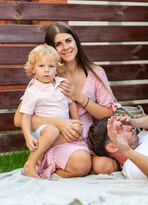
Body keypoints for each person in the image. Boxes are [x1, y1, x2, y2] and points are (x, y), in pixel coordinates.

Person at [14, 22, 115, 178]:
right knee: (82, 162)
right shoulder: (46, 78)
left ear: (75, 41)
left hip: (85, 135)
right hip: (57, 139)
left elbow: (109, 113)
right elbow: (18, 119)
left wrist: (80, 97)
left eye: (68, 40)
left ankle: (77, 168)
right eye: (58, 44)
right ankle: (49, 170)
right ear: (51, 50)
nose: (65, 47)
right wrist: (59, 123)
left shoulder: (95, 73)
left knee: (107, 166)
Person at [20, 45, 80, 179]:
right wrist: (28, 137)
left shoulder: (62, 83)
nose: (46, 70)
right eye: (41, 66)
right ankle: (30, 164)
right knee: (52, 131)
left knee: (77, 130)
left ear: (57, 68)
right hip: (43, 131)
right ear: (33, 69)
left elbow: (72, 105)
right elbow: (25, 116)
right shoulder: (32, 90)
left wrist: (76, 122)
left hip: (61, 130)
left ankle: (43, 150)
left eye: (51, 66)